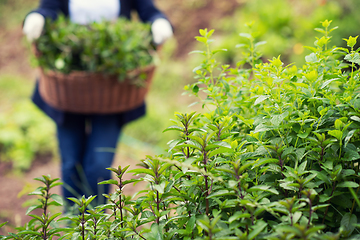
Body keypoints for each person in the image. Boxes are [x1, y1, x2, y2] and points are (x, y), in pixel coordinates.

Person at [22, 0, 173, 207]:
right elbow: (49, 8)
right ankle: (73, 226)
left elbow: (149, 11)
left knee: (99, 166)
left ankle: (96, 227)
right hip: (68, 89)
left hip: (112, 88)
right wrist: (37, 17)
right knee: (71, 165)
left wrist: (159, 23)